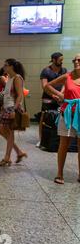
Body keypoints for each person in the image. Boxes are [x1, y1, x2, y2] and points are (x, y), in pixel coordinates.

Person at [44, 54, 80, 184]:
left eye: (79, 60)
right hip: (67, 114)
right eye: (74, 60)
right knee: (64, 144)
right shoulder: (68, 76)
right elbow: (47, 86)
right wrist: (59, 94)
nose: (76, 61)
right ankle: (59, 173)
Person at [0, 58, 27, 166]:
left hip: (12, 108)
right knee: (2, 131)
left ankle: (7, 158)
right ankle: (18, 152)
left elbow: (20, 95)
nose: (4, 67)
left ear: (11, 67)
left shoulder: (17, 78)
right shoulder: (9, 78)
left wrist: (14, 109)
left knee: (9, 133)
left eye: (6, 65)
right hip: (7, 107)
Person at [38, 52, 67, 148]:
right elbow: (44, 86)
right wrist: (53, 95)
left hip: (60, 97)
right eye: (60, 60)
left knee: (60, 117)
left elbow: (64, 84)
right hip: (48, 98)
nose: (62, 62)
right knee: (44, 117)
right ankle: (41, 139)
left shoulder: (64, 70)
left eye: (62, 60)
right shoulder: (46, 71)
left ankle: (56, 139)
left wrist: (61, 94)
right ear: (54, 60)